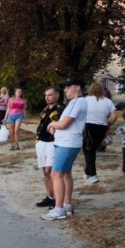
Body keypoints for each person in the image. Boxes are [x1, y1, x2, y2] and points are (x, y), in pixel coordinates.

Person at [42, 77, 88, 221]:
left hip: (68, 143)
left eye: (69, 87)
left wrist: (52, 125)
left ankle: (59, 209)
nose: (66, 90)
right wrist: (56, 125)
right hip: (66, 142)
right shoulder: (74, 103)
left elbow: (64, 124)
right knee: (66, 173)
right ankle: (67, 205)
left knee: (56, 174)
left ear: (78, 87)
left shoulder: (77, 102)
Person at [82, 82, 117, 184]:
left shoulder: (85, 100)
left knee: (88, 151)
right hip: (102, 127)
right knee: (92, 150)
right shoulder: (108, 101)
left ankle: (93, 175)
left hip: (88, 126)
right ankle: (87, 173)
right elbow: (114, 117)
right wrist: (107, 125)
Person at [34, 86, 64, 208]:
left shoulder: (61, 109)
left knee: (50, 170)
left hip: (53, 142)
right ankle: (49, 196)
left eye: (50, 95)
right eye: (46, 95)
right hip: (41, 142)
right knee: (45, 172)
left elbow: (63, 123)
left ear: (57, 95)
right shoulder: (44, 110)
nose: (47, 97)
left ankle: (57, 199)